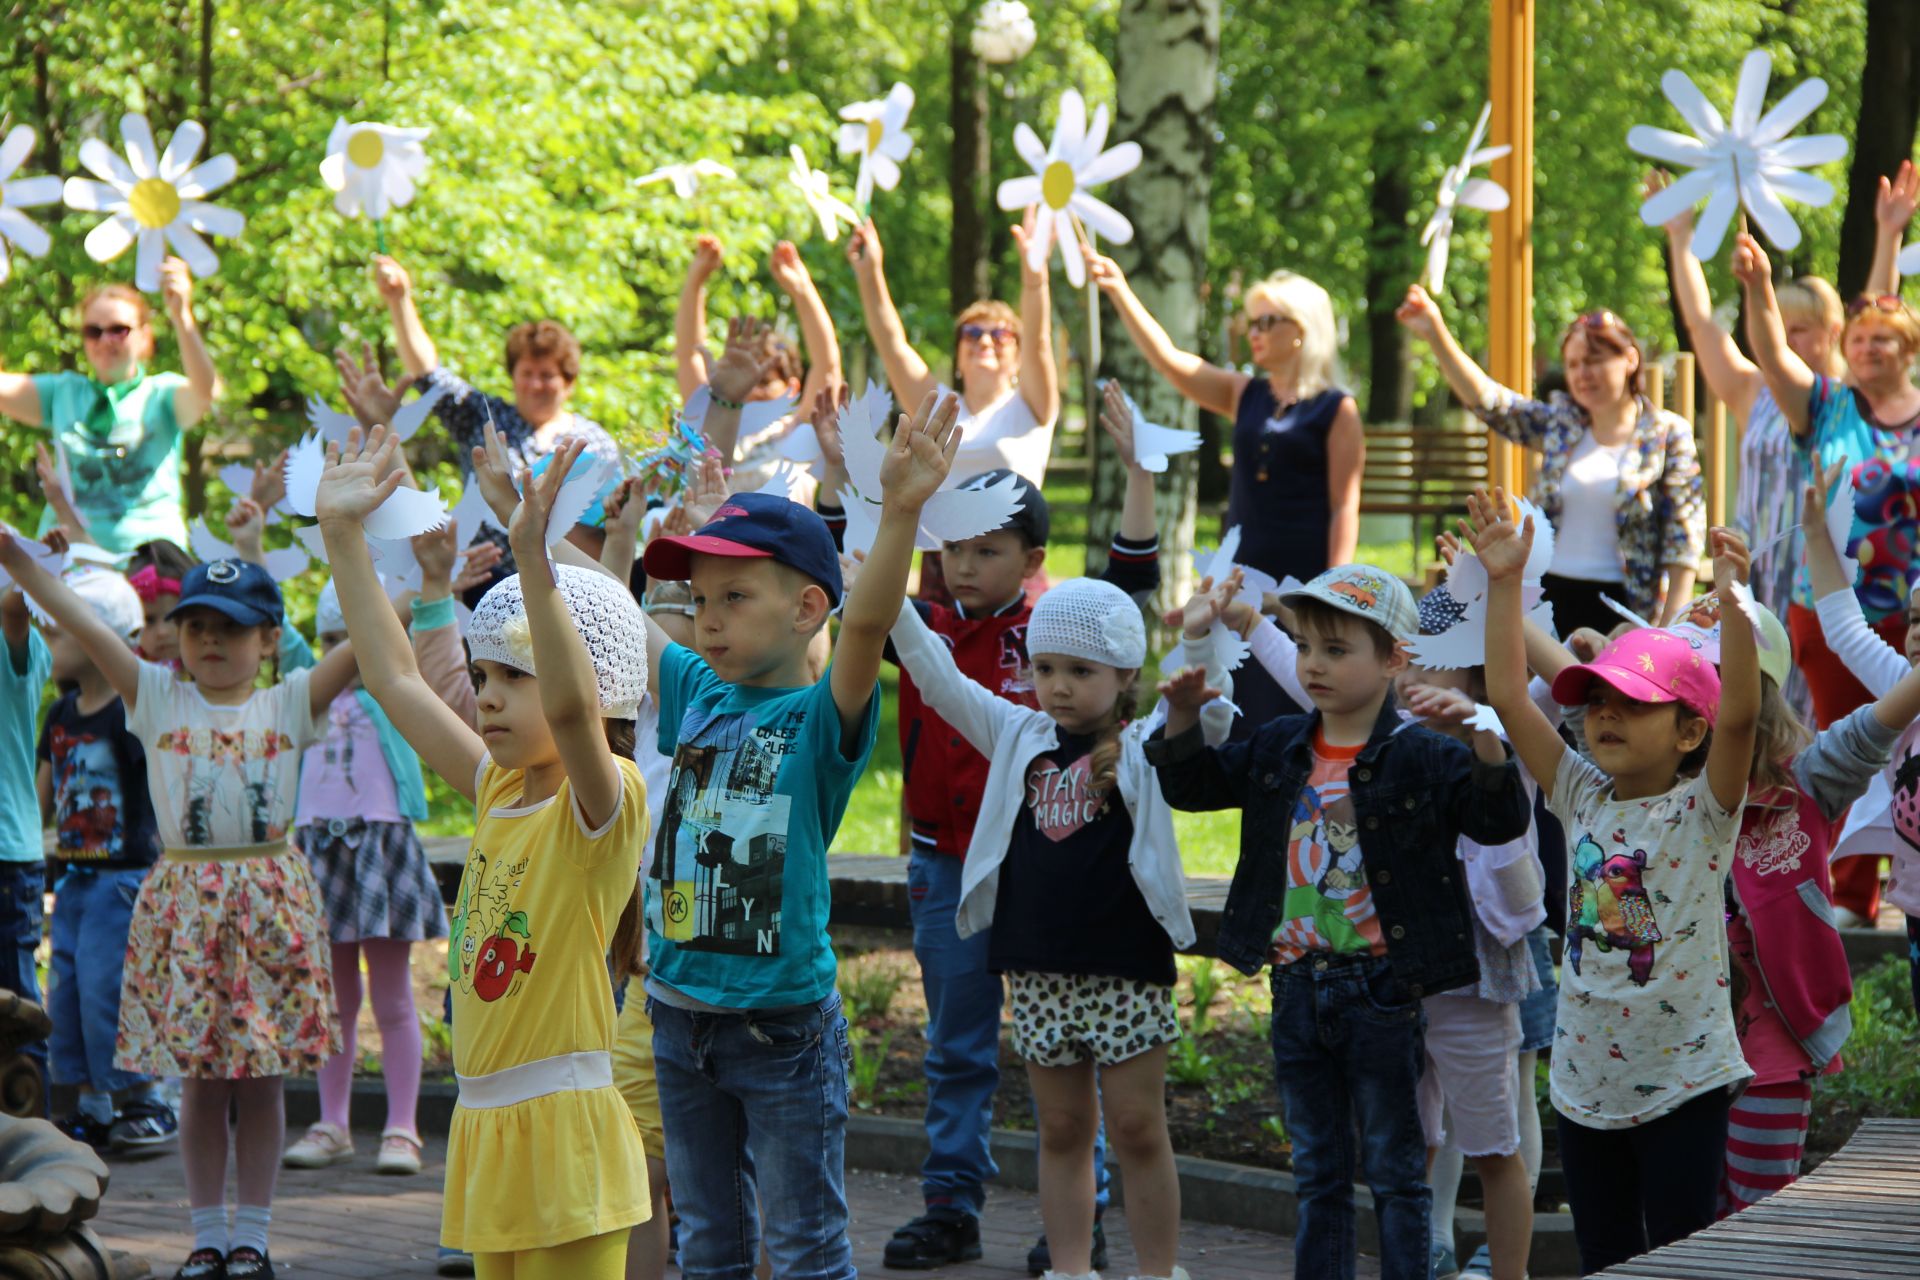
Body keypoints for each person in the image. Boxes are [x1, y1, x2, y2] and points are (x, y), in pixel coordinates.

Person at [636, 391, 962, 1280]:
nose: (708, 618)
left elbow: (867, 626)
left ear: (806, 608)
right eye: (700, 598)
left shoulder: (820, 722)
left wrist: (899, 510)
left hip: (782, 1031)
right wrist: (597, 533)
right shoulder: (696, 694)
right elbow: (617, 621)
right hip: (678, 1013)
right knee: (708, 1243)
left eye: (735, 596)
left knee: (805, 1247)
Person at [317, 428, 656, 1278]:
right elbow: (395, 679)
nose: (487, 696)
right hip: (486, 1124)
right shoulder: (500, 789)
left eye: (514, 676)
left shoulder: (605, 800)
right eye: (482, 673)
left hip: (564, 1132)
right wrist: (342, 538)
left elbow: (577, 717)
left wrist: (533, 562)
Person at [1149, 563, 1533, 1280]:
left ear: (1392, 659)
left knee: (1394, 1171)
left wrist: (1482, 740)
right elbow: (1192, 787)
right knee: (1318, 1173)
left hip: (1383, 993)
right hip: (1296, 986)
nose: (1314, 664)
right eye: (1305, 647)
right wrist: (1179, 717)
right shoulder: (1280, 745)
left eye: (1336, 649)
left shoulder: (1421, 754)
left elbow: (1499, 816)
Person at [0, 545, 358, 1280]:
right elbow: (87, 626)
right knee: (199, 1078)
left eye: (231, 628)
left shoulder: (289, 701)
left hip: (270, 906)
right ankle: (205, 1235)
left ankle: (252, 1236)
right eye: (196, 627)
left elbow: (371, 645)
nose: (211, 641)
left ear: (268, 639)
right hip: (188, 906)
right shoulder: (158, 698)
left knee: (260, 1078)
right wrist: (22, 568)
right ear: (176, 640)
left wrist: (422, 583)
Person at [869, 381, 1164, 1273]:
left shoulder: (1058, 635)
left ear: (1031, 557)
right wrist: (868, 491)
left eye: (987, 551)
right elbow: (858, 591)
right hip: (945, 865)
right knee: (956, 1047)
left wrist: (1141, 476)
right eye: (952, 548)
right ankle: (951, 1204)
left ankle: (1082, 1222)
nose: (964, 566)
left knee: (1076, 1057)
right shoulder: (918, 622)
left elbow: (1131, 587)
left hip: (1049, 880)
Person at [888, 571, 1235, 1280]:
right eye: (1045, 669)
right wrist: (889, 596)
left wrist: (1200, 640)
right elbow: (937, 676)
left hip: (1126, 968)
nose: (1059, 686)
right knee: (1063, 1128)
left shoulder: (1143, 743)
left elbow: (1210, 724)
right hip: (1038, 965)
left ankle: (1158, 1271)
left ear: (1124, 674)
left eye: (1081, 671)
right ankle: (1071, 1270)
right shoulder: (1017, 732)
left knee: (1138, 1129)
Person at [1469, 491, 1759, 1274]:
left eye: (1633, 703)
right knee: (1602, 1255)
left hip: (1682, 1079)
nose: (1604, 714)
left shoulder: (1705, 810)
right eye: (1595, 699)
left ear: (1688, 730)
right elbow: (1504, 694)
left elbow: (1740, 717)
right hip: (1583, 1080)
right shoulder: (1580, 791)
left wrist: (1732, 602)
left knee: (1675, 1253)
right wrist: (1504, 583)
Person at [1090, 252, 1362, 732]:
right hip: (1246, 569)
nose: (1253, 331)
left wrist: (1330, 589)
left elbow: (1345, 504)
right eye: (1250, 322)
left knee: (1302, 693)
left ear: (1300, 328)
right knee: (1248, 690)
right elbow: (1173, 364)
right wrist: (1120, 292)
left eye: (1266, 321)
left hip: (1303, 572)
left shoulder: (1337, 409)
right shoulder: (1247, 393)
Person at [1397, 285, 1707, 635]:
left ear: (1630, 359)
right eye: (1573, 364)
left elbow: (1684, 541)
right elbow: (1491, 403)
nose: (1582, 373)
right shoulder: (1562, 425)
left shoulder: (1666, 434)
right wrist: (1434, 332)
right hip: (1550, 595)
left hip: (1628, 607)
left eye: (1594, 360)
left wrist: (1669, 632)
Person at [275, 573, 451, 1178]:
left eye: (354, 638)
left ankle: (402, 1126)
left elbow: (404, 653)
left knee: (394, 995)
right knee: (334, 997)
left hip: (380, 846)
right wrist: (249, 550)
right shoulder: (306, 693)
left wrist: (429, 582)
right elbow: (284, 644)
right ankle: (333, 1123)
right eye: (331, 639)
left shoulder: (389, 692)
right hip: (317, 851)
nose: (342, 652)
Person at [1647, 168, 1860, 632]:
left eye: (1798, 330)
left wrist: (1887, 235)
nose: (1782, 340)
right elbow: (1702, 324)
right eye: (1775, 325)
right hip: (1755, 577)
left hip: (1823, 581)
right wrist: (1681, 238)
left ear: (1834, 334)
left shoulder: (1851, 403)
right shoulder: (1752, 391)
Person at [846, 213, 1058, 607]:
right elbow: (892, 342)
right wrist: (870, 271)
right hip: (944, 563)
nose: (986, 341)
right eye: (972, 334)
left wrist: (1034, 276)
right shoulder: (939, 405)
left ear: (1018, 356)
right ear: (959, 356)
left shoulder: (1032, 406)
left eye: (1002, 334)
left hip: (1012, 562)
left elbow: (1042, 342)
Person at [37, 566, 177, 1151]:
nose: (50, 646)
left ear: (101, 638)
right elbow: (41, 793)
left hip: (123, 879)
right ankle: (93, 1105)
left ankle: (146, 1098)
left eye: (60, 634)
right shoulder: (61, 714)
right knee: (65, 994)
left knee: (109, 991)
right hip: (72, 878)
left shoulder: (129, 713)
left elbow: (165, 789)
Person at [1802, 456, 1920, 1019]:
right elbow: (1846, 630)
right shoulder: (1904, 687)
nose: (1919, 635)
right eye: (1916, 620)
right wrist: (1819, 539)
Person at [0, 259, 220, 554]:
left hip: (151, 562)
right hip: (69, 558)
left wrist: (182, 316)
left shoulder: (161, 394)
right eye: (94, 331)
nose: (106, 340)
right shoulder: (63, 393)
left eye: (119, 330)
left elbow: (204, 391)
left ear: (144, 336)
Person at [674, 235, 842, 495]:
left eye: (763, 382)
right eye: (745, 380)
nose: (749, 390)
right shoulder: (713, 426)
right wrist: (695, 281)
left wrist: (802, 290)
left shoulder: (798, 431)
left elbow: (827, 366)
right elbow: (689, 357)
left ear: (792, 387)